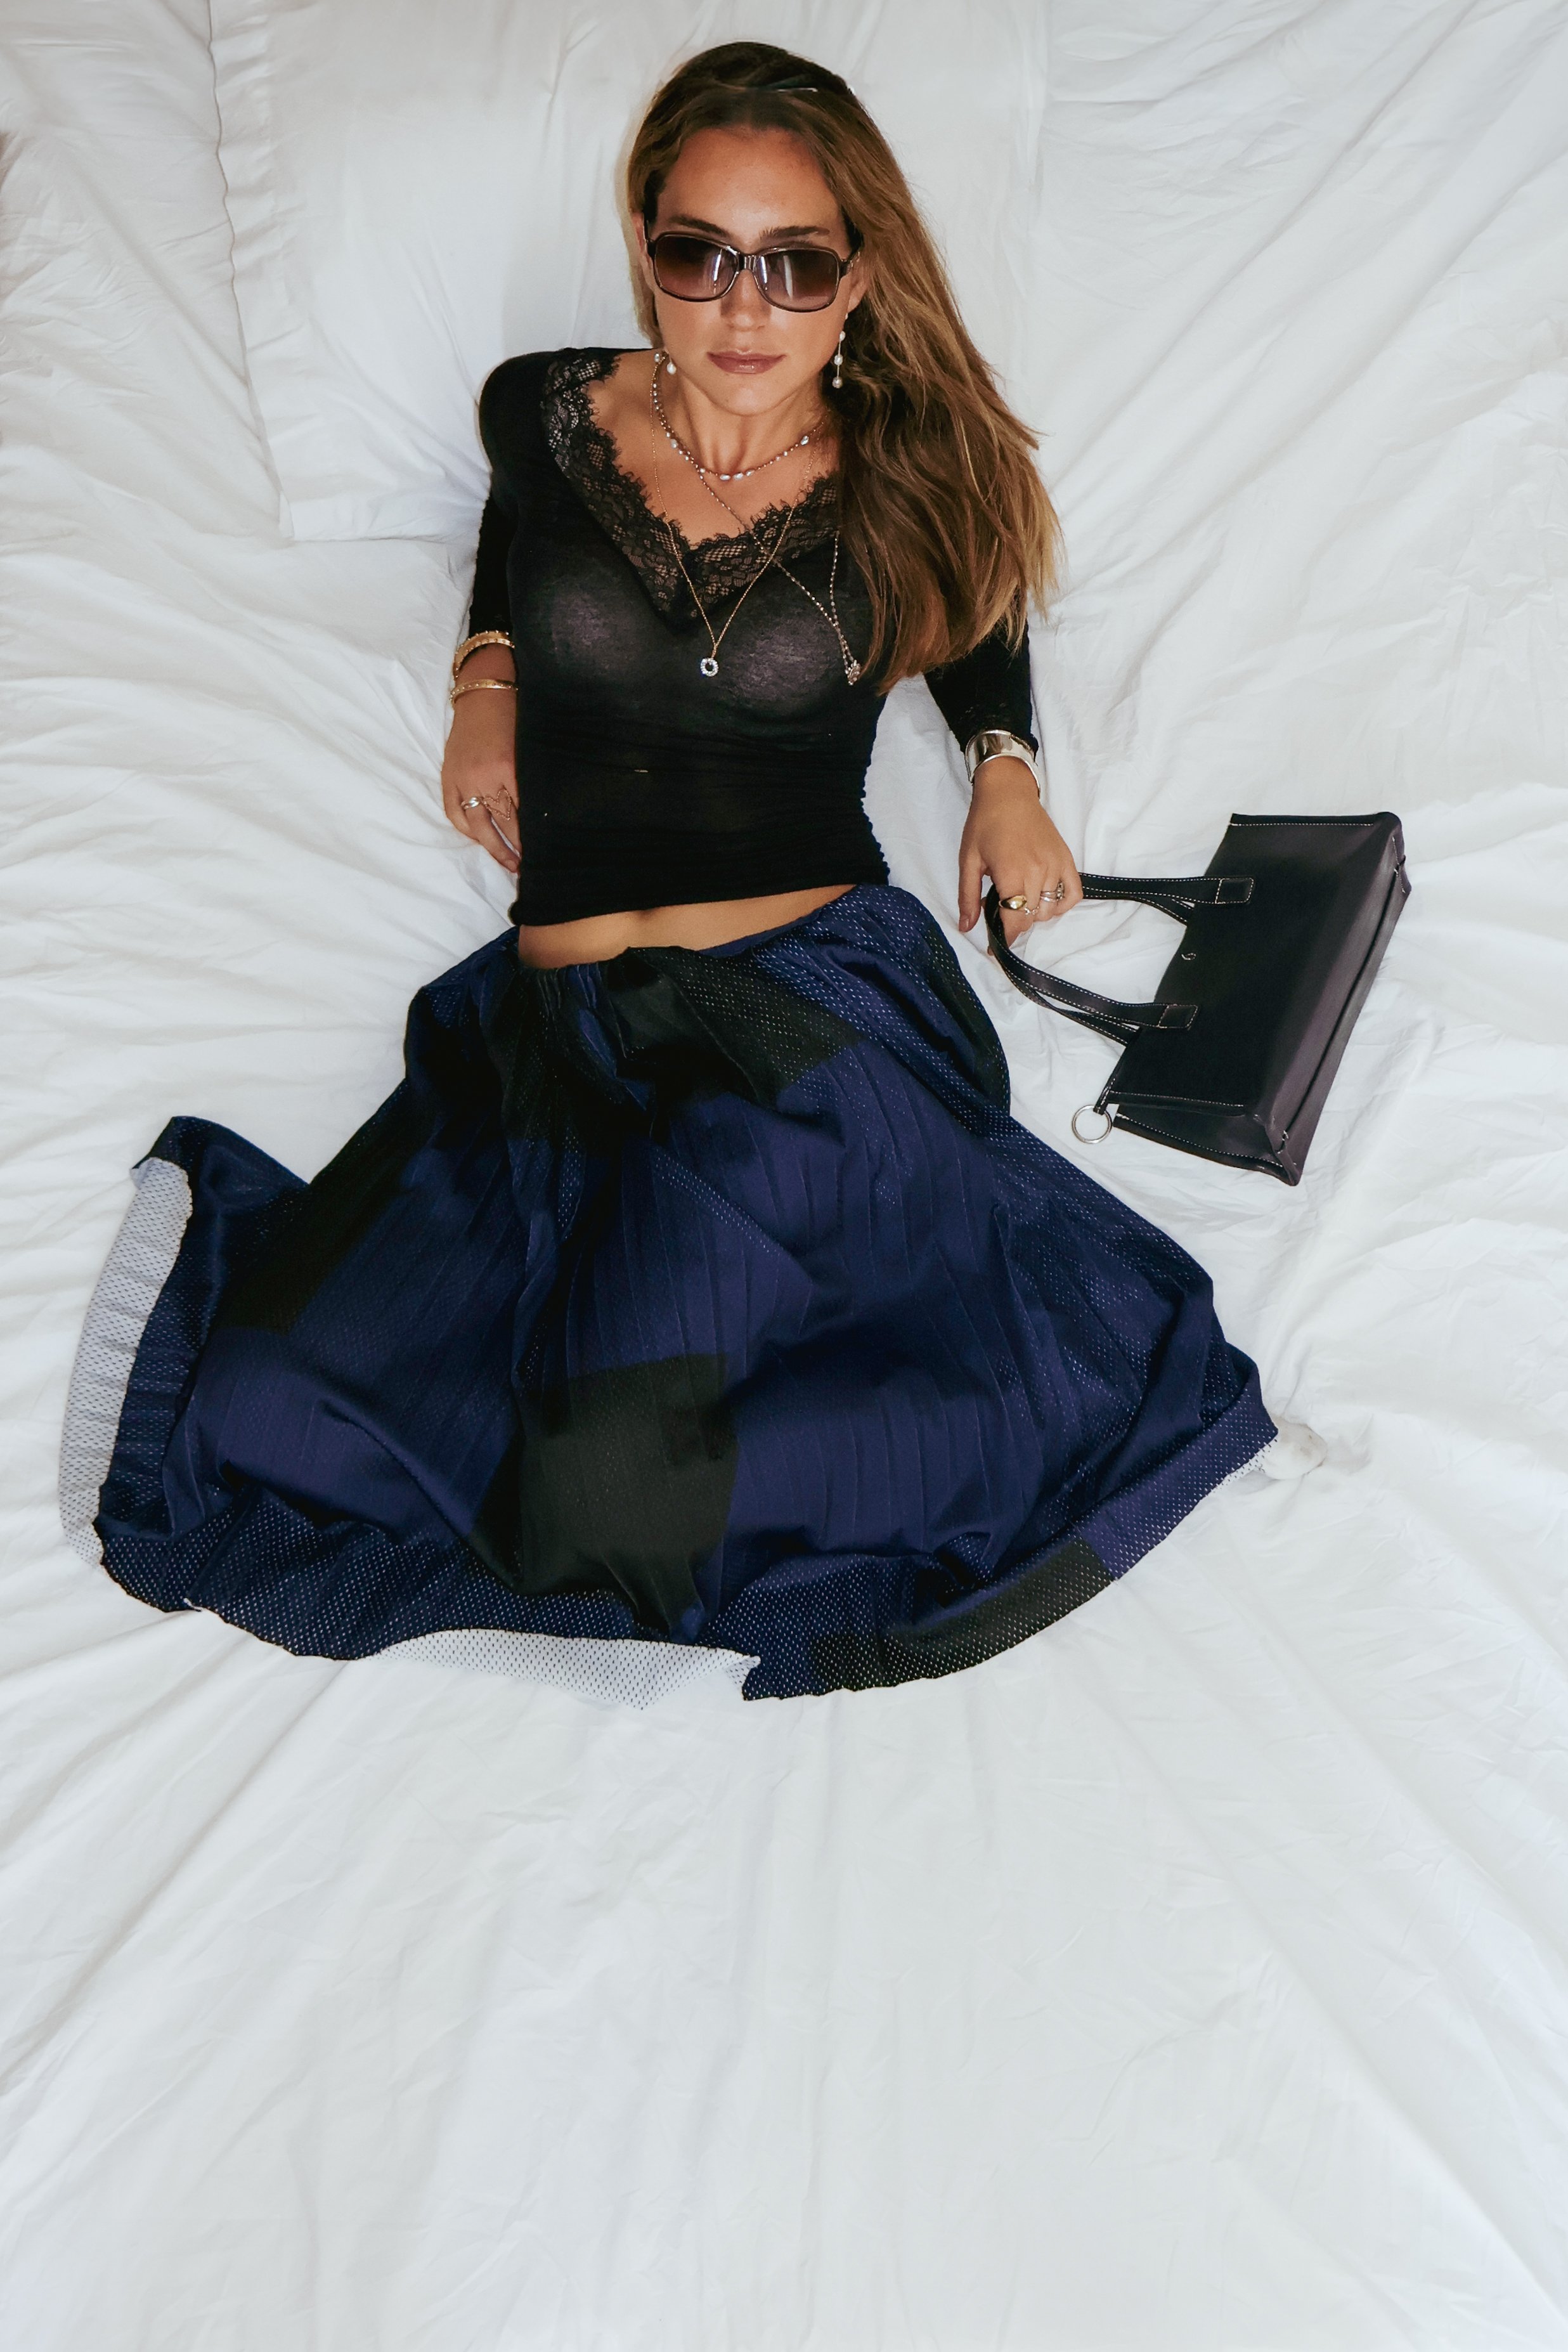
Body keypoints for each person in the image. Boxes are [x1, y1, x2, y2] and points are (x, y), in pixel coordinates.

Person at [67, 43, 1274, 1701]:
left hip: (799, 1020)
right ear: (646, 247)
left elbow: (981, 616)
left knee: (624, 1489)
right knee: (279, 1407)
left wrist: (1003, 773)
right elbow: (513, 538)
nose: (744, 306)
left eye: (795, 263)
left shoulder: (913, 477)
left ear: (858, 279)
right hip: (548, 1041)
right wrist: (484, 680)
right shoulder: (544, 411)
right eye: (703, 253)